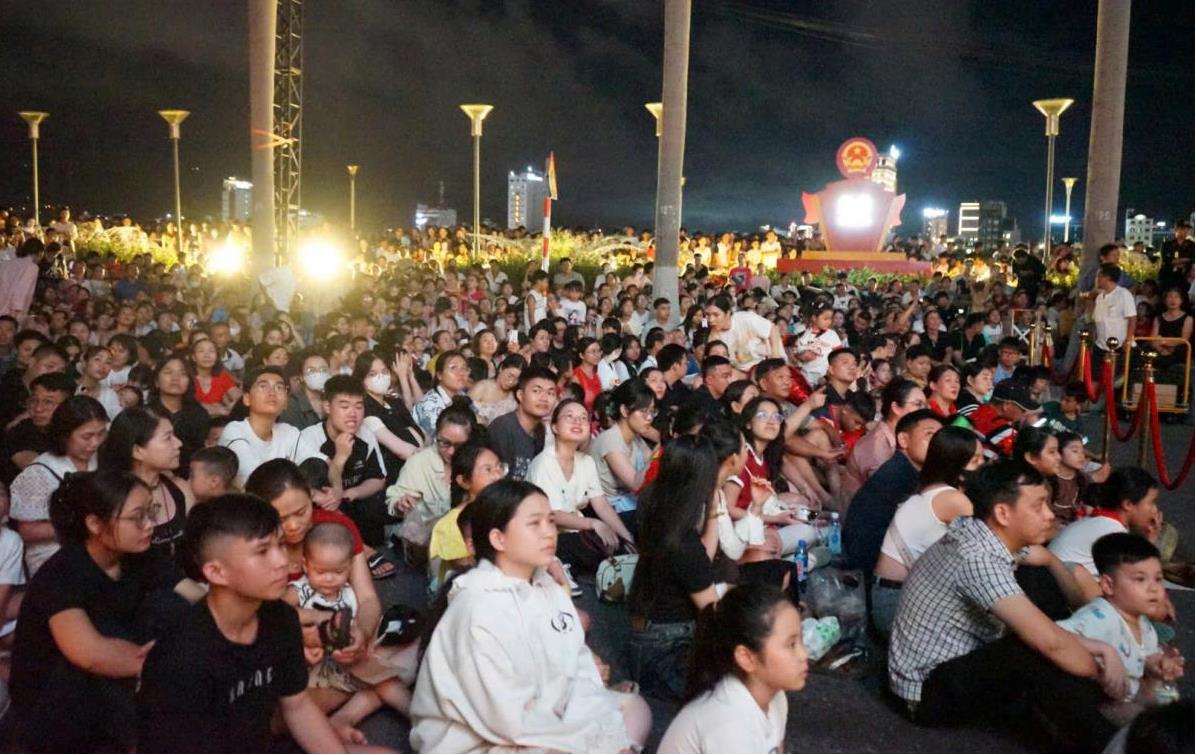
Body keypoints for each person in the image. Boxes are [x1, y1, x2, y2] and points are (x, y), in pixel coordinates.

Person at [888, 462, 1122, 751]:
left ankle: (1080, 699)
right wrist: (1104, 673)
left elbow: (1040, 557)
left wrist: (1052, 562)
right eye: (1038, 506)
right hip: (923, 694)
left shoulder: (977, 529)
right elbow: (1051, 643)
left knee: (1037, 579)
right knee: (1034, 649)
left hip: (949, 666)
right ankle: (1109, 741)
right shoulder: (978, 559)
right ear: (1002, 513)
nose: (1049, 515)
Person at [411, 479, 651, 753]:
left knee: (634, 708)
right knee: (610, 733)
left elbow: (572, 658)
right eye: (534, 523)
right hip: (486, 739)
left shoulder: (544, 585)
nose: (549, 533)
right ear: (498, 539)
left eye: (551, 521)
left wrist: (587, 690)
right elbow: (505, 718)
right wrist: (584, 723)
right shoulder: (476, 607)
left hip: (545, 711)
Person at [136, 495, 353, 752]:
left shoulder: (282, 618)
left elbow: (297, 706)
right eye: (262, 551)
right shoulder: (182, 657)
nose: (282, 561)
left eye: (280, 544)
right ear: (216, 572)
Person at [10, 470, 192, 752]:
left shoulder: (139, 555)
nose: (149, 525)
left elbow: (193, 595)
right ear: (94, 523)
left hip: (114, 680)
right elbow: (89, 653)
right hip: (57, 701)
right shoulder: (62, 573)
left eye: (151, 512)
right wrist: (172, 665)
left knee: (171, 608)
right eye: (137, 517)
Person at [628, 435, 728, 701]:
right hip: (665, 650)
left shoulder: (652, 500)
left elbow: (700, 562)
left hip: (645, 631)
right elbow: (711, 610)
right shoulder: (683, 543)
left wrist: (713, 512)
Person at [283, 522, 411, 729]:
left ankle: (418, 716)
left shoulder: (348, 592)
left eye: (338, 571)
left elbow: (365, 613)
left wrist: (361, 636)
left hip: (348, 657)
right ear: (305, 565)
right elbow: (278, 611)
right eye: (320, 571)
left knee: (385, 673)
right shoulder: (301, 589)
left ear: (350, 567)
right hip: (316, 663)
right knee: (384, 677)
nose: (329, 578)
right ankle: (418, 716)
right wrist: (317, 618)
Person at [657, 583, 807, 754]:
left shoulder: (776, 699)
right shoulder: (727, 721)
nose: (804, 654)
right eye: (791, 644)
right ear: (746, 658)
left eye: (801, 640)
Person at [871, 426, 984, 636]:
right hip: (897, 603)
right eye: (976, 460)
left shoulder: (930, 489)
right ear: (956, 466)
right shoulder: (953, 499)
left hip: (890, 595)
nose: (983, 466)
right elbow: (987, 543)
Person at [1057, 533, 1184, 716]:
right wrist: (1104, 650)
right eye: (1140, 579)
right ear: (1108, 585)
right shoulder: (1100, 617)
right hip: (1098, 704)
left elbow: (1144, 657)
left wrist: (1158, 664)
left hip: (1131, 696)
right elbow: (1056, 634)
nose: (1154, 588)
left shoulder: (1143, 624)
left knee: (1170, 706)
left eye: (1157, 579)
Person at [526, 398, 634, 573]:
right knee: (595, 543)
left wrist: (627, 537)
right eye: (569, 416)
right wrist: (593, 524)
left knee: (632, 524)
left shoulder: (586, 461)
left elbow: (601, 504)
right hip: (548, 535)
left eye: (583, 418)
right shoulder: (544, 463)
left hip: (578, 530)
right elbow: (553, 514)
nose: (578, 421)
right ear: (555, 427)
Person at [10, 396, 108, 575]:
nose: (95, 443)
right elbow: (28, 531)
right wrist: (82, 527)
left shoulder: (102, 459)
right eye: (87, 436)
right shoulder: (39, 472)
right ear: (64, 435)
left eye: (100, 434)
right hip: (53, 552)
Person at [843, 409, 942, 574]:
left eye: (939, 437)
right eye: (929, 434)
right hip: (873, 570)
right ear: (903, 439)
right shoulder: (899, 477)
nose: (937, 443)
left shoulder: (905, 470)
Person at [295, 376, 388, 547]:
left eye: (358, 406)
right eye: (344, 406)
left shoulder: (365, 434)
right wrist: (340, 457)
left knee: (373, 506)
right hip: (323, 507)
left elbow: (378, 479)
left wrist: (353, 492)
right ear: (327, 407)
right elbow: (303, 489)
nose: (353, 413)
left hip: (352, 502)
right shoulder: (309, 438)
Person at [1049, 467, 1161, 603]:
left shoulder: (1101, 523)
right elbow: (1141, 576)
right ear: (1128, 504)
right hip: (1058, 599)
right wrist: (1151, 540)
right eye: (1151, 502)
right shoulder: (1113, 532)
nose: (1155, 510)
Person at [99, 407, 195, 558]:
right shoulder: (112, 497)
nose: (179, 443)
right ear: (137, 451)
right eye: (167, 438)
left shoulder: (181, 488)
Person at [386, 402, 478, 556]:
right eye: (444, 443)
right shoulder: (420, 462)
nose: (451, 451)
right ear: (436, 435)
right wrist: (400, 504)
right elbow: (394, 499)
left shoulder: (479, 462)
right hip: (427, 545)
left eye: (459, 446)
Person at [427, 441, 506, 592]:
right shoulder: (450, 523)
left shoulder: (507, 511)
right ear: (464, 481)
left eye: (499, 467)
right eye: (488, 470)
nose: (498, 476)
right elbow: (464, 568)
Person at [218, 366, 312, 486]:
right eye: (263, 386)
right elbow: (257, 483)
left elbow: (317, 464)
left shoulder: (289, 432)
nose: (272, 393)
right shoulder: (235, 431)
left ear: (286, 402)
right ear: (247, 399)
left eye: (279, 387)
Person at [841, 379, 927, 500]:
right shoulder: (876, 444)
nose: (925, 410)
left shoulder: (899, 437)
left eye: (925, 405)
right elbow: (887, 492)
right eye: (918, 404)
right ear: (896, 408)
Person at [590, 379, 655, 524]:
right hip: (614, 513)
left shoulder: (636, 438)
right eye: (643, 411)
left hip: (632, 506)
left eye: (652, 411)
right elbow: (636, 483)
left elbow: (651, 463)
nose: (649, 418)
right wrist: (659, 452)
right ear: (624, 410)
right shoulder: (610, 440)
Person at [354, 351, 423, 483]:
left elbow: (411, 416)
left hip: (417, 468)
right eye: (372, 374)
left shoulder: (392, 401)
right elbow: (402, 451)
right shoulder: (366, 410)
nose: (380, 377)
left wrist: (406, 377)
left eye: (384, 372)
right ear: (361, 379)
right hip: (399, 478)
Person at [1, 372, 74, 487]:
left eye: (48, 402)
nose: (38, 409)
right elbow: (43, 473)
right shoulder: (18, 434)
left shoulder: (76, 431)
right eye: (34, 400)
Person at [488, 365, 556, 481]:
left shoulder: (539, 430)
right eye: (536, 391)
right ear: (520, 395)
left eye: (550, 393)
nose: (544, 398)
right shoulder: (503, 428)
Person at [147, 355, 210, 473]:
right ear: (156, 381)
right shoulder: (144, 414)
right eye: (168, 372)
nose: (175, 378)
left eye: (183, 373)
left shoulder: (199, 415)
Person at [702, 293, 785, 371]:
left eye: (716, 315)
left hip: (765, 364)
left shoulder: (744, 318)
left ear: (727, 313)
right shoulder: (713, 336)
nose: (711, 320)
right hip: (740, 373)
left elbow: (772, 329)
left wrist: (775, 357)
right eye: (708, 315)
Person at [412, 350, 469, 439]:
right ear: (439, 375)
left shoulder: (462, 395)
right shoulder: (429, 405)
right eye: (453, 368)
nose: (461, 373)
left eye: (464, 368)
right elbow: (439, 441)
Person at [468, 352, 523, 426]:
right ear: (501, 368)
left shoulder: (515, 398)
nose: (511, 381)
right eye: (510, 376)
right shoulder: (482, 387)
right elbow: (464, 411)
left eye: (516, 379)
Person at [190, 337, 241, 417]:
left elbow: (238, 396)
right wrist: (217, 409)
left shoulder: (222, 376)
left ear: (217, 357)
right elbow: (188, 405)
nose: (207, 355)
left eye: (211, 351)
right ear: (194, 357)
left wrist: (234, 405)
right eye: (201, 351)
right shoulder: (187, 378)